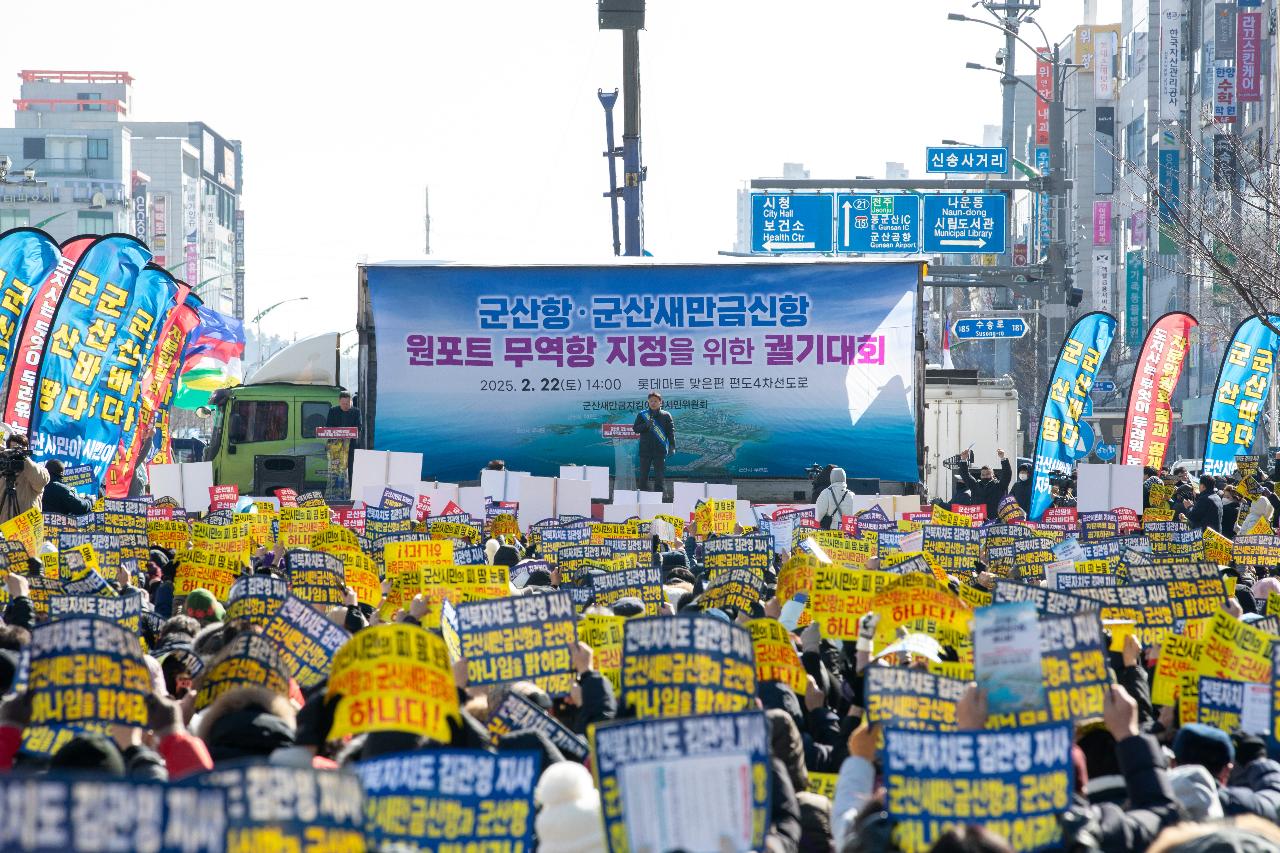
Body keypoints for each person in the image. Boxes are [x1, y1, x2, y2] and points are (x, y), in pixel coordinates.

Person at [632, 392, 675, 494]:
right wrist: (646, 425)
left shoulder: (666, 415)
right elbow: (635, 429)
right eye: (651, 401)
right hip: (645, 450)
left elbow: (671, 432)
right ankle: (642, 497)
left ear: (660, 402)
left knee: (659, 476)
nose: (653, 403)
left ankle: (658, 498)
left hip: (659, 451)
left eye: (655, 401)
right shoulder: (642, 414)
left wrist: (672, 446)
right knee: (643, 476)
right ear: (648, 402)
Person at [0, 432, 47, 523]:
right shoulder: (3, 469)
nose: (16, 453)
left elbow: (41, 481)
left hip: (25, 530)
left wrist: (24, 458)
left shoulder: (36, 469)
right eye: (13, 449)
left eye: (21, 449)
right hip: (4, 527)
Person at [956, 448, 1011, 520]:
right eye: (983, 475)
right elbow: (965, 475)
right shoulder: (975, 486)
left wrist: (1003, 458)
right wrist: (963, 459)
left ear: (993, 475)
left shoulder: (999, 486)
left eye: (988, 474)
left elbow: (1007, 474)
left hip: (995, 522)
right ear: (980, 476)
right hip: (978, 523)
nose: (985, 476)